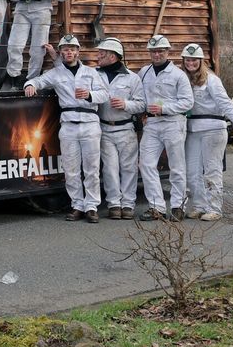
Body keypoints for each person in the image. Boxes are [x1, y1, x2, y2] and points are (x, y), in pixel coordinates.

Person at [24, 35, 108, 223]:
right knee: (71, 169)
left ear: (78, 52)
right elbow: (38, 81)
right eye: (65, 49)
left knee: (92, 168)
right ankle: (77, 205)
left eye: (72, 49)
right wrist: (29, 84)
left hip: (89, 123)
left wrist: (89, 95)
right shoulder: (57, 73)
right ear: (61, 52)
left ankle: (92, 206)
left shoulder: (91, 73)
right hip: (69, 124)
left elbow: (104, 94)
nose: (69, 52)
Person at [180, 43, 233, 221]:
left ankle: (214, 208)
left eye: (194, 60)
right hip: (192, 129)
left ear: (201, 61)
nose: (191, 63)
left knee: (212, 170)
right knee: (192, 170)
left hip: (213, 129)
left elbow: (225, 102)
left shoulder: (211, 80)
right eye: (188, 59)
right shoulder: (183, 79)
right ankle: (199, 205)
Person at [136, 35, 194, 221]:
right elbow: (139, 97)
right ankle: (157, 207)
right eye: (153, 51)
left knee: (176, 166)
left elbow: (187, 102)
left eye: (161, 50)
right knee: (146, 164)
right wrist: (142, 113)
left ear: (168, 52)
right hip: (152, 124)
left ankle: (178, 206)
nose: (157, 54)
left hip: (173, 123)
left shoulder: (178, 75)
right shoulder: (144, 72)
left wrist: (165, 108)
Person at [3, 0, 68, 86]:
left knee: (38, 48)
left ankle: (31, 79)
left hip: (42, 10)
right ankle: (14, 78)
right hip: (22, 9)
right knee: (14, 45)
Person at [94, 38, 145, 221]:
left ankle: (128, 204)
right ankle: (114, 203)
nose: (98, 56)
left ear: (113, 56)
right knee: (109, 168)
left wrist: (125, 104)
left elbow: (141, 105)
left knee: (129, 168)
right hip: (104, 128)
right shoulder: (94, 74)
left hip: (125, 129)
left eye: (102, 53)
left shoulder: (132, 78)